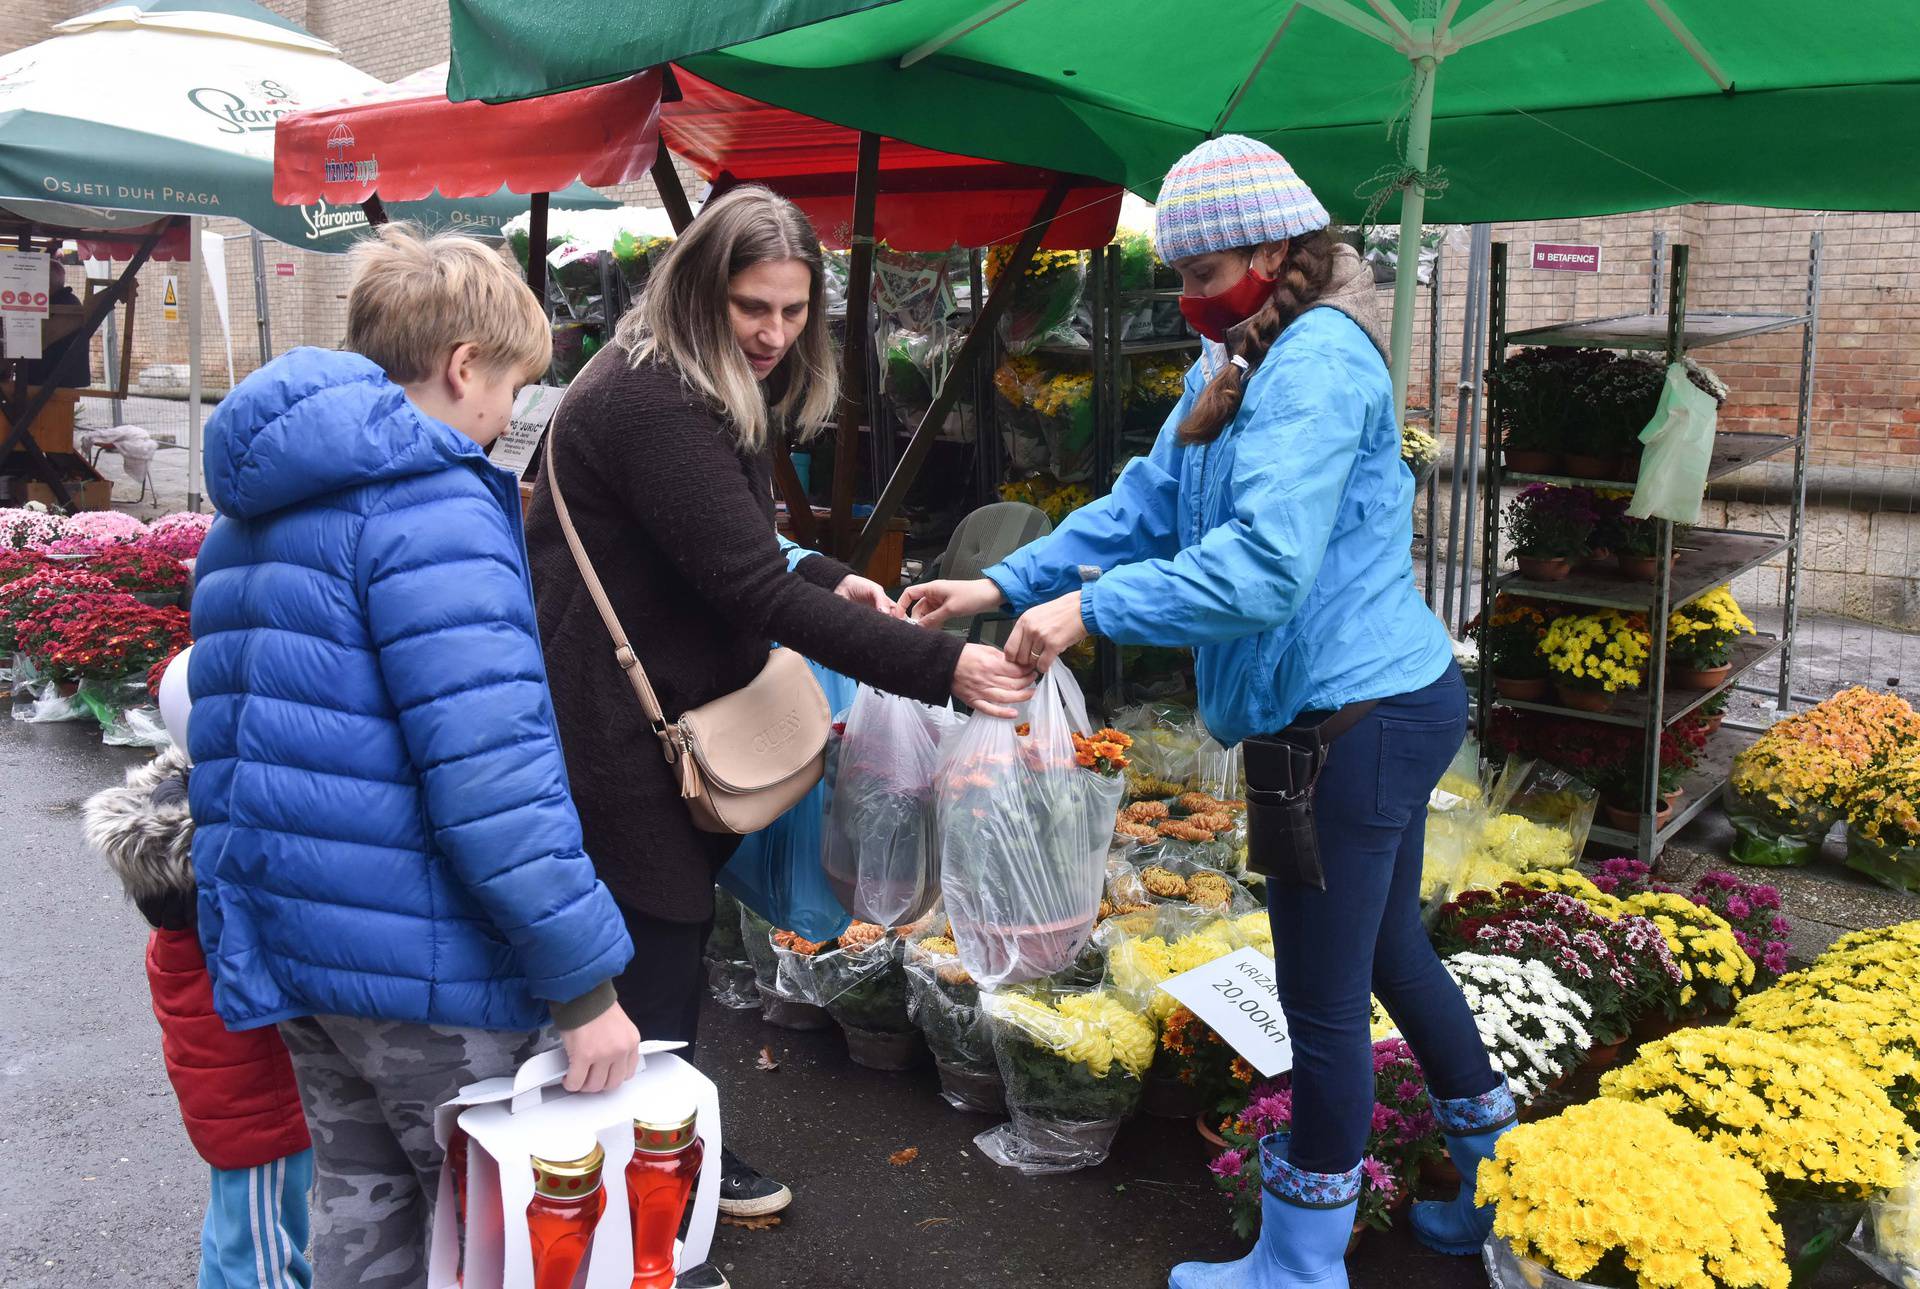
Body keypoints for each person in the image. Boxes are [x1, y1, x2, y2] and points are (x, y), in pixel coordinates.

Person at [904, 136, 1510, 1287]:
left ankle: (1300, 1257)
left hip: (1355, 720)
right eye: (1175, 273)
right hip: (1367, 703)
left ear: (1277, 248)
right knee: (1388, 950)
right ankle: (1492, 1178)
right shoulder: (1232, 358)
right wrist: (1003, 583)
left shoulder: (1319, 364)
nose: (1187, 296)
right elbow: (1146, 505)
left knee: (1321, 1000)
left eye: (1204, 270)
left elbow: (1266, 567)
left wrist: (1090, 610)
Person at [524, 185, 1035, 1261]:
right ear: (701, 291)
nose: (774, 333)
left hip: (658, 718)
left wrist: (826, 573)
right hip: (620, 738)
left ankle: (673, 1160)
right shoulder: (654, 401)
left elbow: (736, 548)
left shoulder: (688, 383)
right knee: (651, 977)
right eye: (754, 307)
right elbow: (751, 588)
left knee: (657, 974)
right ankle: (648, 1228)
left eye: (796, 311)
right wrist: (949, 668)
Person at [189, 223, 641, 1289]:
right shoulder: (432, 501)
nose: (506, 417)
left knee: (364, 1229)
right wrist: (585, 988)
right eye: (511, 388)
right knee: (504, 1244)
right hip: (431, 967)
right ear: (461, 365)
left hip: (300, 951)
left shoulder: (250, 513)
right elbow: (495, 776)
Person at [85, 734, 315, 1289]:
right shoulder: (222, 873)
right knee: (264, 1244)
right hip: (262, 1099)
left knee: (236, 1225)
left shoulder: (174, 888)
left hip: (232, 1101)